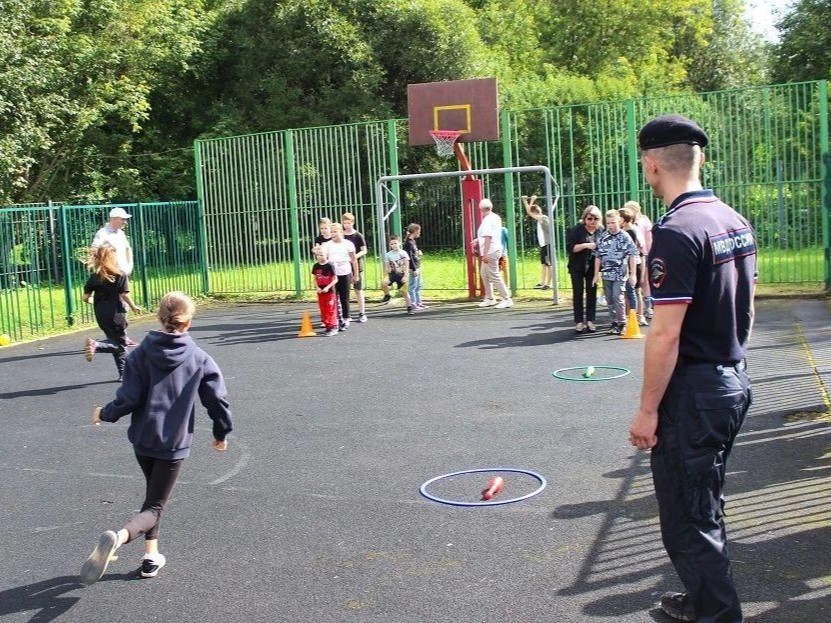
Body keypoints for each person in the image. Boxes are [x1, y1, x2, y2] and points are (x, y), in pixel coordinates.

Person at [628, 114, 756, 623]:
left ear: (653, 164)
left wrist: (646, 411)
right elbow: (745, 304)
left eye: (645, 165)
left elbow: (665, 332)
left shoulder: (678, 231)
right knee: (704, 500)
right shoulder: (731, 219)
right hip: (732, 378)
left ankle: (718, 614)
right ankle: (703, 599)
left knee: (686, 516)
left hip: (697, 391)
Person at [81, 291, 233, 585]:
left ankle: (151, 556)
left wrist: (105, 413)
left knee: (154, 497)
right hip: (172, 445)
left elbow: (127, 398)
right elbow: (217, 401)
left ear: (159, 317)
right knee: (154, 506)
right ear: (188, 321)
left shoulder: (138, 354)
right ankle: (119, 537)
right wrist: (221, 432)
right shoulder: (199, 358)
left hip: (142, 440)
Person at [83, 244, 141, 381]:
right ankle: (96, 345)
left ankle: (124, 373)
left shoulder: (94, 277)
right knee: (120, 344)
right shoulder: (120, 275)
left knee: (115, 341)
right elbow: (125, 295)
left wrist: (97, 302)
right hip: (116, 314)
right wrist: (134, 307)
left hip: (100, 314)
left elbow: (85, 298)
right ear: (112, 258)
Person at [592, 209, 638, 335]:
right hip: (607, 274)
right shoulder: (603, 237)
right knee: (609, 299)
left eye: (613, 222)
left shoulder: (625, 236)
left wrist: (633, 274)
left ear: (619, 221)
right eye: (608, 223)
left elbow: (633, 255)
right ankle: (614, 323)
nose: (611, 225)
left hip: (620, 274)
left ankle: (622, 322)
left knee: (618, 297)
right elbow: (597, 255)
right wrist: (596, 274)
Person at [565, 205, 603, 333]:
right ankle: (579, 321)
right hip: (577, 266)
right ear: (585, 218)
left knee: (592, 293)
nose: (592, 221)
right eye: (590, 218)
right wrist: (586, 245)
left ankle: (591, 320)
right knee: (578, 292)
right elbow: (571, 248)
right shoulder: (575, 231)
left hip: (593, 267)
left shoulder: (601, 231)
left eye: (596, 219)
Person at [474, 199, 512, 309]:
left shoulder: (487, 220)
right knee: (484, 274)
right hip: (494, 249)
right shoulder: (495, 217)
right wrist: (478, 240)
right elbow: (492, 234)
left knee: (494, 275)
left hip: (490, 251)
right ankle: (490, 298)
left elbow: (488, 237)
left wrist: (485, 253)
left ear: (481, 209)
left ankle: (506, 298)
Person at [323, 223, 358, 331]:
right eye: (331, 232)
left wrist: (355, 274)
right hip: (333, 275)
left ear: (341, 232)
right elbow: (323, 259)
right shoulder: (327, 245)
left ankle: (346, 319)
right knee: (333, 298)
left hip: (345, 272)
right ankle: (336, 319)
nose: (333, 234)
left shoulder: (348, 244)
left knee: (344, 297)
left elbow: (353, 259)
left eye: (335, 232)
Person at [619, 205, 649, 326]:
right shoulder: (632, 229)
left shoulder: (629, 232)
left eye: (619, 218)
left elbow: (636, 250)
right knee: (633, 291)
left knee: (633, 291)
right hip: (635, 262)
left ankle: (636, 316)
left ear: (624, 220)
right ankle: (635, 316)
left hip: (633, 263)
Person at [91, 207, 134, 276]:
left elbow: (128, 249)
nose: (125, 222)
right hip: (110, 274)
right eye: (123, 219)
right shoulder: (102, 233)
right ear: (113, 219)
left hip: (123, 273)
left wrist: (130, 266)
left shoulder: (120, 233)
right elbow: (95, 252)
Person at [341, 213, 368, 323]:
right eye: (345, 223)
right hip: (343, 266)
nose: (347, 225)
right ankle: (346, 314)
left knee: (358, 289)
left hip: (356, 266)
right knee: (344, 291)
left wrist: (354, 257)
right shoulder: (341, 235)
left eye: (349, 223)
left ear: (353, 222)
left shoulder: (358, 235)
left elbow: (364, 250)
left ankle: (362, 313)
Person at [522, 195, 552, 290]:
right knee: (544, 264)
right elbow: (530, 211)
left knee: (549, 264)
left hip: (547, 245)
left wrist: (528, 201)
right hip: (544, 245)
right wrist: (527, 202)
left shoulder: (542, 218)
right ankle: (543, 283)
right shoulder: (541, 218)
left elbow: (528, 212)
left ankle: (549, 284)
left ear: (536, 212)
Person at [311, 245, 339, 336]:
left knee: (331, 309)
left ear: (326, 255)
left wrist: (328, 287)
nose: (320, 257)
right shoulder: (315, 266)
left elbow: (335, 279)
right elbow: (315, 279)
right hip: (320, 291)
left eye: (322, 255)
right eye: (318, 255)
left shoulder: (330, 265)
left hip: (330, 291)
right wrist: (317, 287)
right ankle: (327, 325)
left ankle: (333, 326)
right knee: (323, 309)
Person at [380, 235, 412, 310]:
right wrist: (385, 275)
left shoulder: (403, 253)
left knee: (404, 291)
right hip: (392, 273)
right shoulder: (388, 254)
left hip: (401, 274)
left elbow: (407, 265)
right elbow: (387, 266)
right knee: (383, 283)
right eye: (392, 244)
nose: (394, 245)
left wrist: (405, 275)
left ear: (399, 243)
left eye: (395, 243)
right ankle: (387, 295)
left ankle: (409, 307)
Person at [402, 223, 424, 313]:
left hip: (417, 266)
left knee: (418, 285)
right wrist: (414, 269)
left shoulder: (413, 241)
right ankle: (413, 303)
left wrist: (418, 253)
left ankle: (418, 302)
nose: (419, 233)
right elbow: (409, 257)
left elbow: (414, 254)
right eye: (418, 231)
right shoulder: (408, 243)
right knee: (412, 286)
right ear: (414, 231)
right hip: (413, 267)